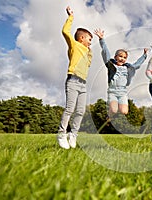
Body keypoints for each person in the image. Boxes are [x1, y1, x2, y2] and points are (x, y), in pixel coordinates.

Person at [57, 6, 93, 149]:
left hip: (83, 84)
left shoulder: (86, 50)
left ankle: (74, 134)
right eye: (89, 39)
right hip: (73, 80)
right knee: (70, 109)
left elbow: (88, 64)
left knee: (81, 111)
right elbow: (65, 31)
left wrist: (90, 53)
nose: (90, 42)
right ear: (82, 38)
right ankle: (61, 133)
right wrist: (71, 17)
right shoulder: (74, 45)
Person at [94, 28, 148, 120]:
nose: (122, 59)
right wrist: (101, 39)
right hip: (112, 91)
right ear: (115, 57)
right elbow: (105, 53)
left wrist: (144, 55)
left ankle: (114, 111)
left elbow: (137, 64)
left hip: (123, 92)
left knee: (124, 111)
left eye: (124, 57)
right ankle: (109, 115)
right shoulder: (111, 65)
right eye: (120, 56)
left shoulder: (127, 68)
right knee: (114, 110)